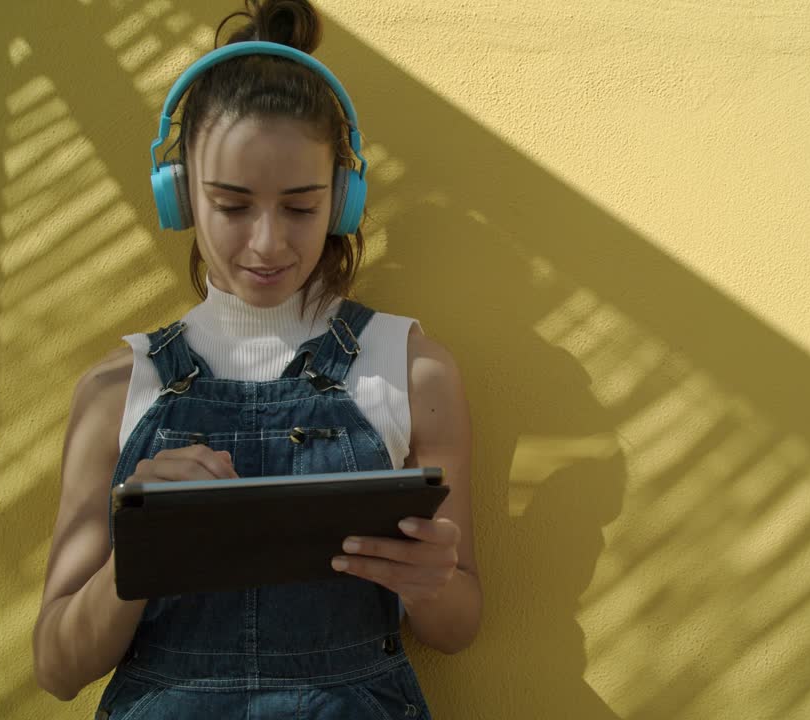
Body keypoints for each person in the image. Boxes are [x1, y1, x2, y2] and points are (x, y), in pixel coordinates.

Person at [30, 1, 481, 716]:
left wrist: (429, 581)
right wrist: (142, 549)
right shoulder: (117, 387)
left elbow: (457, 629)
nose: (268, 244)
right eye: (232, 206)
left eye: (300, 207)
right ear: (180, 196)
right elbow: (56, 666)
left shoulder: (413, 367)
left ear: (343, 196)